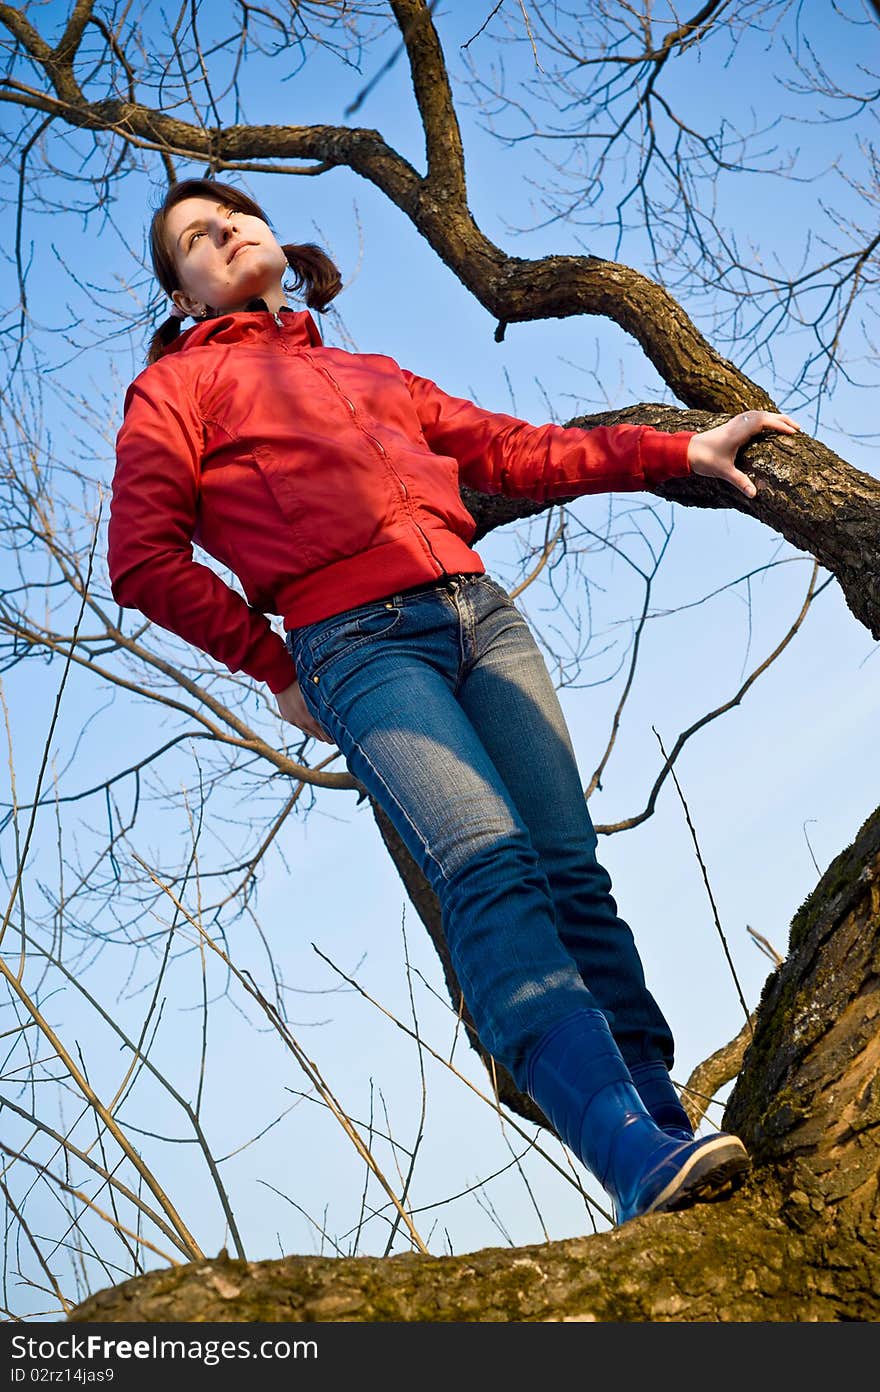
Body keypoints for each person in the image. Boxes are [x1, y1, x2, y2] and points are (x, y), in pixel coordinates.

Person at [108, 178, 800, 1227]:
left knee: (575, 879)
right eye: (195, 240)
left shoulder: (366, 372)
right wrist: (274, 665)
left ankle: (668, 1137)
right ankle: (622, 1154)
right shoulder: (175, 392)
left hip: (484, 619)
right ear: (184, 295)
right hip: (356, 644)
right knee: (491, 872)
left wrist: (675, 454)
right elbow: (141, 557)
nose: (227, 233)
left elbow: (514, 449)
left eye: (235, 216)